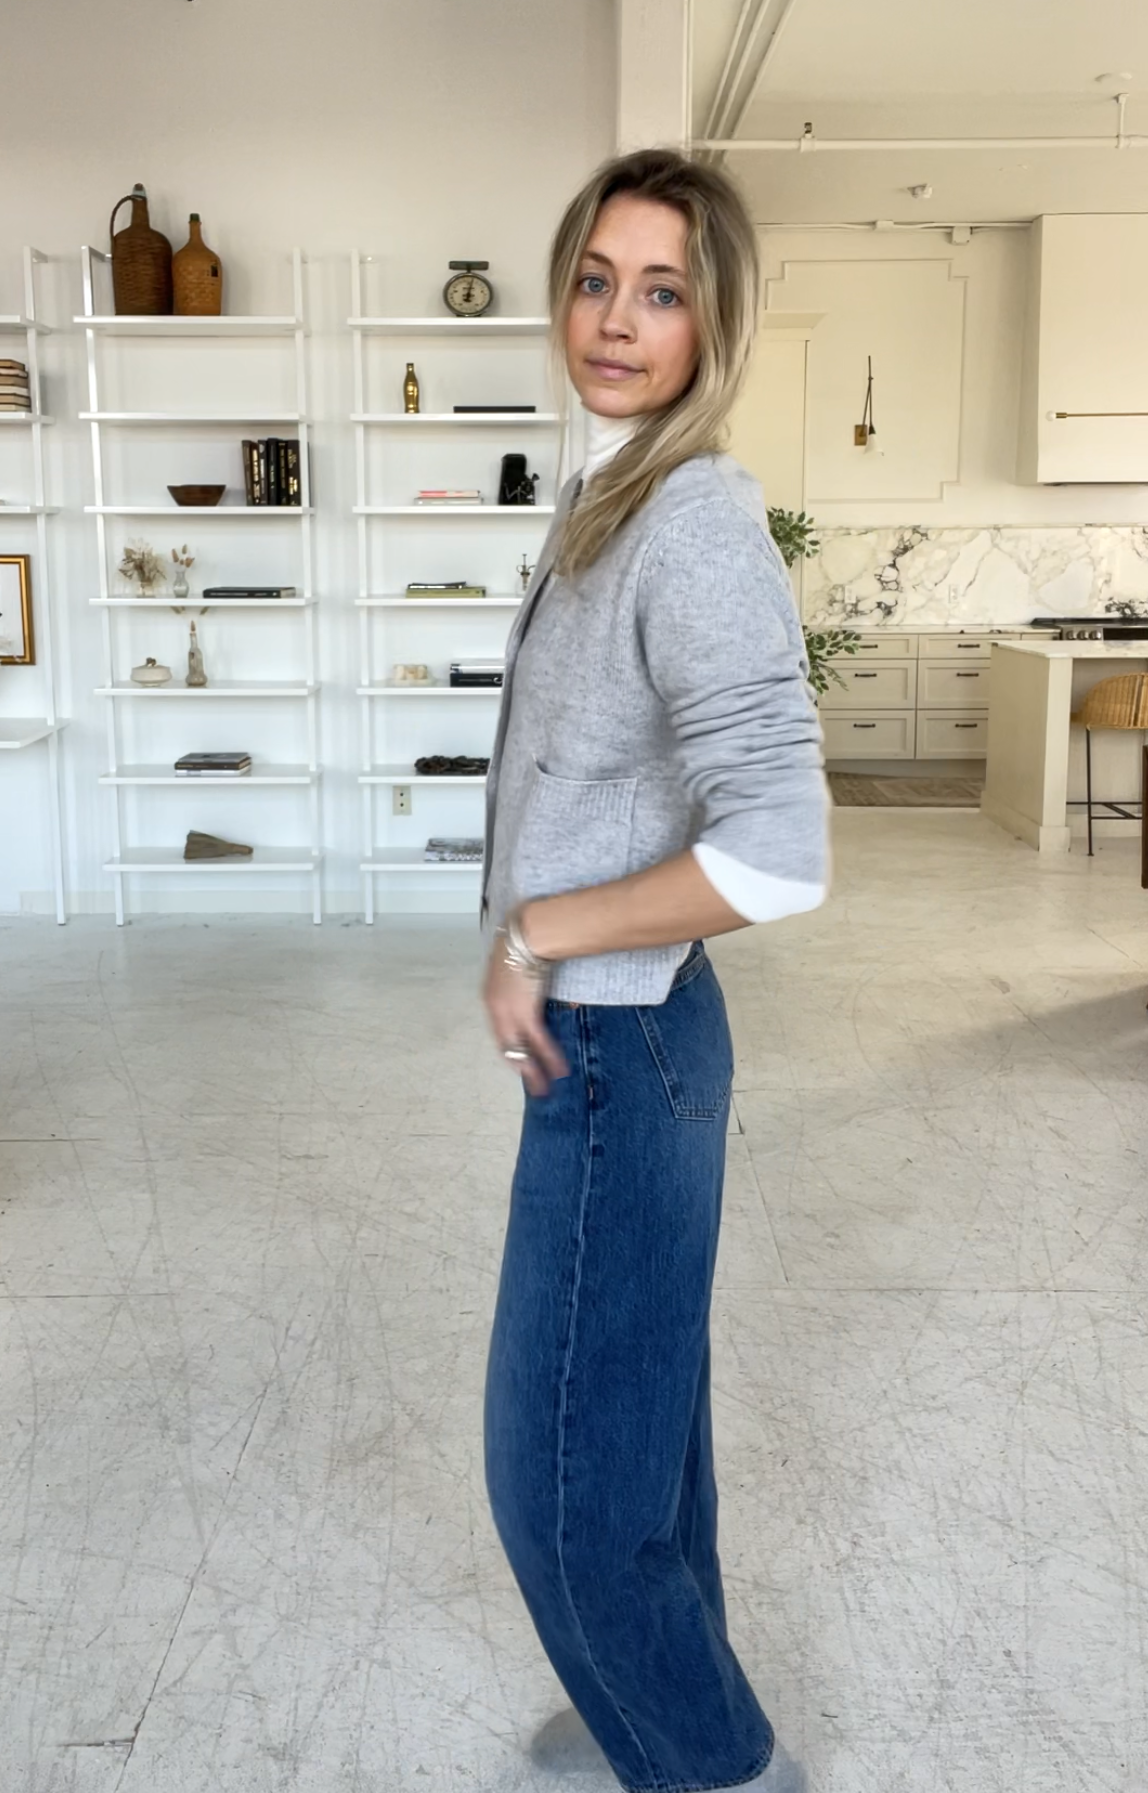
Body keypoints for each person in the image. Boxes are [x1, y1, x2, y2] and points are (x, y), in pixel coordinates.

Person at [480, 146, 828, 1793]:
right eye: (596, 278)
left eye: (664, 288)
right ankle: (671, 1713)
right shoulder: (608, 490)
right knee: (640, 1438)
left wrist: (537, 934)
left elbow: (778, 850)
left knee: (558, 1488)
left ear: (714, 320)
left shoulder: (690, 518)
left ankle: (705, 1764)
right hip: (631, 1043)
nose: (618, 319)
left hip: (624, 1052)